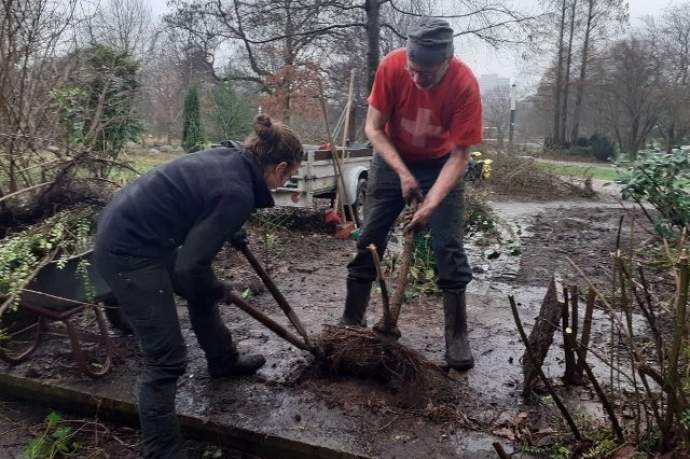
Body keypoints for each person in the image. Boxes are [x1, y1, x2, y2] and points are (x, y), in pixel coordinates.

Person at [94, 115, 303, 458]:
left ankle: (223, 361)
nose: (285, 182)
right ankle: (161, 451)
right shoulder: (236, 191)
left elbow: (200, 197)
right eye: (290, 175)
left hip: (141, 234)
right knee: (167, 358)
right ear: (280, 167)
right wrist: (218, 288)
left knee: (199, 291)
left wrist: (226, 230)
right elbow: (191, 267)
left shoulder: (233, 159)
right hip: (128, 253)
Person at [340, 17, 483, 371]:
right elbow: (373, 128)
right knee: (369, 236)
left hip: (441, 164)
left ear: (447, 62)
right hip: (392, 158)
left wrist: (431, 201)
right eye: (413, 70)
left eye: (428, 74)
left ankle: (457, 337)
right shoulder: (391, 67)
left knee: (448, 245)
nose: (418, 79)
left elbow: (461, 155)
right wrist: (402, 173)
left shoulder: (464, 85)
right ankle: (351, 321)